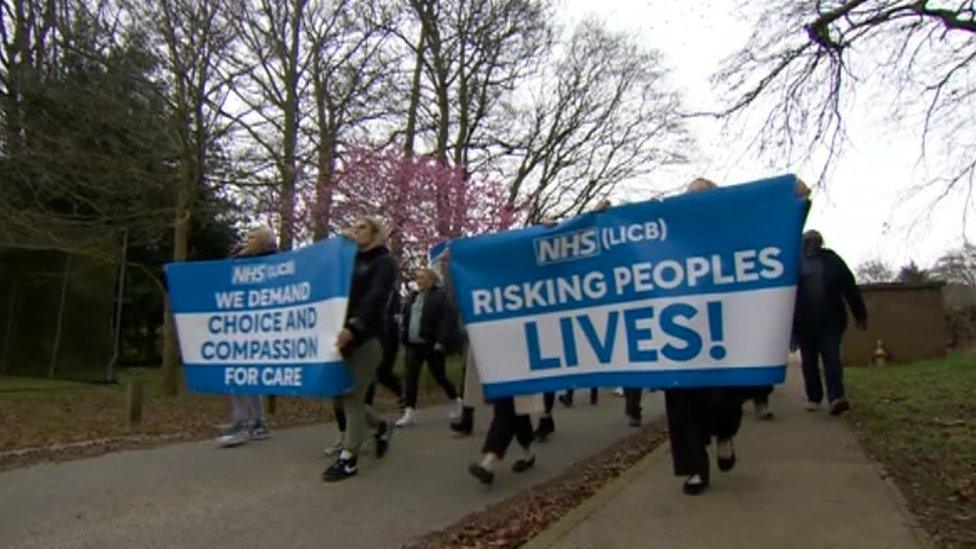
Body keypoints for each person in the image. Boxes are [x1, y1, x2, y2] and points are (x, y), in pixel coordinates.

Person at [664, 177, 810, 495]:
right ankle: (695, 469)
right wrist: (599, 218)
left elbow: (775, 229)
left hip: (728, 332)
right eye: (690, 197)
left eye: (704, 196)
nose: (696, 203)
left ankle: (724, 434)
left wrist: (793, 198)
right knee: (681, 401)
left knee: (724, 397)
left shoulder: (737, 230)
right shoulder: (670, 233)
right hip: (681, 335)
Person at [323, 216, 397, 482]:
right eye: (353, 226)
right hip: (341, 337)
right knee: (339, 395)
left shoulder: (384, 262)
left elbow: (375, 298)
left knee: (353, 396)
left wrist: (354, 327)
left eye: (362, 227)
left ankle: (348, 459)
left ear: (376, 233)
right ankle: (380, 425)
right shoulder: (349, 261)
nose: (356, 231)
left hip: (368, 338)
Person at [793, 229, 867, 416]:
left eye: (814, 241)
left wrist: (860, 315)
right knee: (809, 363)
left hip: (830, 321)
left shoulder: (833, 261)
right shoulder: (794, 263)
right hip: (804, 324)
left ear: (820, 243)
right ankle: (814, 398)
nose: (811, 245)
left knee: (832, 361)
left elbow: (850, 288)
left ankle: (836, 398)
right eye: (807, 241)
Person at [215, 227, 276, 448]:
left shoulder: (273, 264)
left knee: (243, 375)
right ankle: (256, 422)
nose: (246, 240)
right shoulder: (238, 260)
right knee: (240, 375)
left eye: (252, 237)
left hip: (258, 326)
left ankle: (243, 424)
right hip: (239, 324)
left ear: (265, 243)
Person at [395, 267, 463, 427]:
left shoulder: (440, 297)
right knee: (410, 378)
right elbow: (406, 317)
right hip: (413, 344)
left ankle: (456, 400)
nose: (419, 281)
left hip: (431, 344)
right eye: (418, 278)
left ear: (431, 280)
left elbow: (447, 320)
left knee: (440, 376)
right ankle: (409, 412)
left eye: (423, 278)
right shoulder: (412, 296)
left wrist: (441, 341)